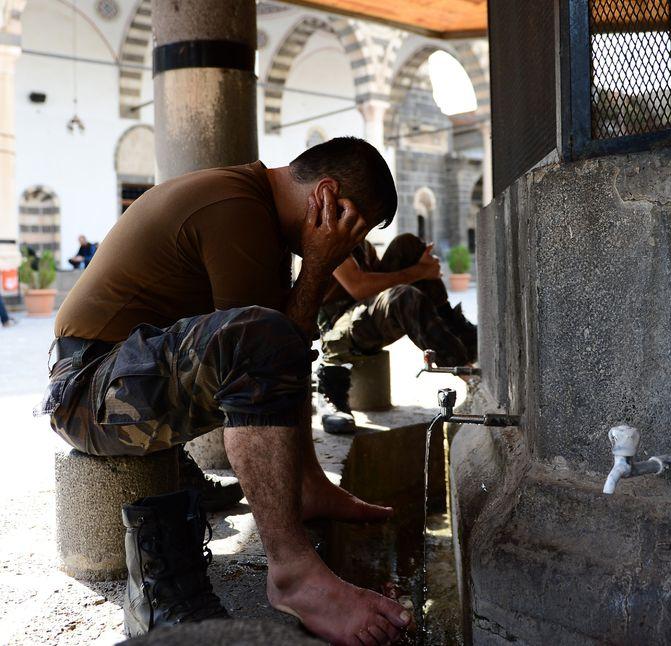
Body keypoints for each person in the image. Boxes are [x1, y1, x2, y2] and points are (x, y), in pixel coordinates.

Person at [44, 137, 413, 644]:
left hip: (116, 375)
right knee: (261, 338)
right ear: (327, 197)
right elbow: (271, 347)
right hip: (88, 392)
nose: (352, 247)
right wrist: (319, 266)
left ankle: (306, 488)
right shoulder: (237, 208)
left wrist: (307, 480)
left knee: (263, 339)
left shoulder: (251, 203)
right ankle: (292, 572)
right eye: (355, 229)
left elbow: (274, 379)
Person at [317, 234, 477, 433]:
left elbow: (374, 290)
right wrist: (420, 271)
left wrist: (422, 269)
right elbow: (358, 287)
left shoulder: (363, 244)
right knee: (405, 296)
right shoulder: (328, 240)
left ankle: (469, 344)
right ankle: (468, 376)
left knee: (406, 245)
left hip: (366, 310)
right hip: (338, 328)